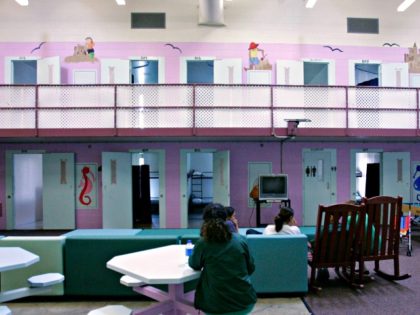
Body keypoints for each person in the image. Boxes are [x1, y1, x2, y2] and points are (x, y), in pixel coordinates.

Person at [189, 203, 257, 315]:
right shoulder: (241, 240)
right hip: (245, 302)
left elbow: (194, 264)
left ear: (205, 221)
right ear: (226, 218)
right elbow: (251, 268)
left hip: (214, 305)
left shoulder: (203, 243)